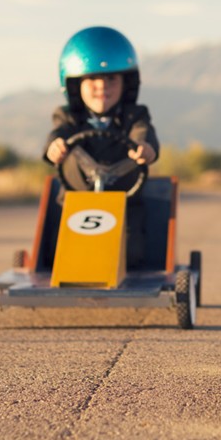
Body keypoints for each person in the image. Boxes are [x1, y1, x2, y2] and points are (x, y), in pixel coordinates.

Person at [43, 26, 159, 269]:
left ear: (126, 83)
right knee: (56, 252)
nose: (102, 86)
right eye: (92, 79)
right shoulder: (67, 118)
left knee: (133, 253)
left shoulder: (135, 115)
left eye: (111, 79)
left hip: (124, 202)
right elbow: (57, 135)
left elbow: (143, 135)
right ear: (75, 85)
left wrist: (144, 148)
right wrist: (54, 148)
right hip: (75, 202)